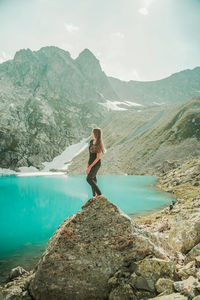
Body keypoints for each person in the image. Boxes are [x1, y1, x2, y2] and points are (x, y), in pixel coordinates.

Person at [86, 128, 107, 199]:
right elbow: (90, 154)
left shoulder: (99, 143)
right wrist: (88, 164)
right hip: (91, 163)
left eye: (92, 132)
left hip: (96, 164)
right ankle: (94, 196)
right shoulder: (91, 141)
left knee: (89, 179)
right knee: (93, 179)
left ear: (95, 133)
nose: (91, 133)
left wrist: (90, 167)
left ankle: (100, 194)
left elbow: (97, 158)